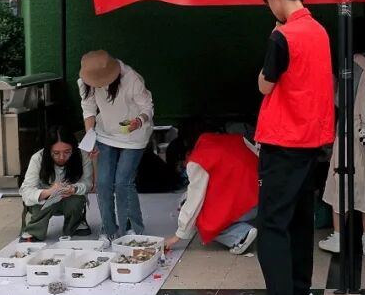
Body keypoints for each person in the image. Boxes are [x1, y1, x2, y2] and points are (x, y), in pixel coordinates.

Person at [237, 0, 335, 295]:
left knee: (272, 225)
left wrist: (270, 46)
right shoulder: (319, 30)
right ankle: (299, 294)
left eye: (268, 1)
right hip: (311, 140)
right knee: (298, 218)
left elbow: (265, 84)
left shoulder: (283, 35)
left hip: (283, 139)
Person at [319, 17, 365, 257]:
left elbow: (339, 100)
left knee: (341, 181)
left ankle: (339, 236)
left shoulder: (348, 65)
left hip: (347, 131)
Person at [79, 50, 154, 239]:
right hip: (105, 132)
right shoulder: (86, 80)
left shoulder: (131, 78)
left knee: (123, 182)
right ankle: (109, 229)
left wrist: (139, 121)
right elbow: (88, 109)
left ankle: (134, 228)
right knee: (103, 183)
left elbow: (147, 107)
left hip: (134, 134)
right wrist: (90, 137)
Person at [163, 132, 259, 255]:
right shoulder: (210, 141)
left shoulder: (197, 161)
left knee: (201, 217)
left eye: (182, 166)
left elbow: (194, 202)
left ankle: (240, 235)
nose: (185, 170)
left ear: (186, 155)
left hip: (250, 205)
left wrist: (177, 236)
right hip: (265, 193)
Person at [20, 127, 93, 241]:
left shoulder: (82, 156)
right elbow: (26, 191)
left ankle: (76, 224)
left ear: (74, 148)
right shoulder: (38, 158)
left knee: (77, 200)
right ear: (48, 151)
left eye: (67, 152)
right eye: (56, 153)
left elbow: (88, 184)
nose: (62, 157)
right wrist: (49, 192)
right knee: (39, 201)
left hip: (69, 198)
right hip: (45, 200)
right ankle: (34, 229)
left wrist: (74, 189)